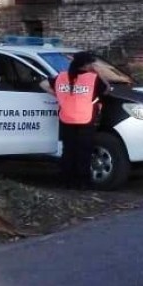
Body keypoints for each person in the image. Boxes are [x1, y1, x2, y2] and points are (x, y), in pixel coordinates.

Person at [41, 52, 111, 189]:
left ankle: (66, 180)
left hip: (66, 118)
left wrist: (57, 93)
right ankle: (82, 182)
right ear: (86, 65)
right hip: (85, 120)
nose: (93, 65)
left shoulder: (61, 77)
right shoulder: (93, 78)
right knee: (83, 152)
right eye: (91, 63)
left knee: (68, 151)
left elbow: (43, 84)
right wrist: (96, 71)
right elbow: (107, 89)